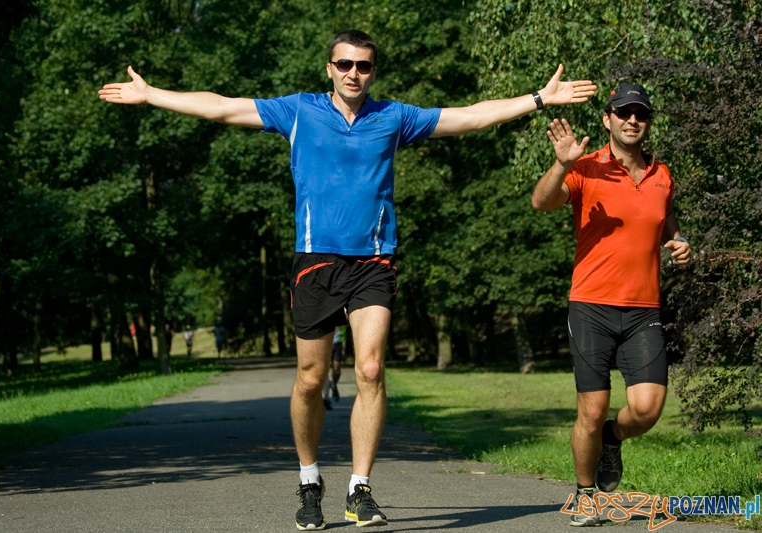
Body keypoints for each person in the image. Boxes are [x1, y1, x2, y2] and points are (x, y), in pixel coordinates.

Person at [100, 29, 595, 531]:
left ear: (373, 72)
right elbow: (223, 107)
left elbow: (466, 116)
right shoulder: (298, 111)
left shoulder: (393, 117)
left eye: (363, 66)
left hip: (375, 263)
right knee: (311, 379)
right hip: (316, 261)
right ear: (329, 68)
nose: (353, 73)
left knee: (371, 370)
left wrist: (538, 99)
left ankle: (360, 488)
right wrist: (151, 95)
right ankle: (309, 480)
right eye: (344, 64)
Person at [531, 83, 691, 527]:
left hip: (644, 310)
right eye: (623, 112)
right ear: (608, 119)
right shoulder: (585, 167)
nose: (632, 120)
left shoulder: (663, 174)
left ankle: (611, 439)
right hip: (590, 306)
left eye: (640, 113)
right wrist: (560, 166)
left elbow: (665, 221)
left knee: (646, 409)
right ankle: (585, 496)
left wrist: (678, 242)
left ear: (648, 121)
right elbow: (541, 202)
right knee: (592, 406)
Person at [322, 325, 345, 410]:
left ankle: (334, 384)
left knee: (336, 371)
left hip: (337, 342)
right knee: (324, 371)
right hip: (324, 342)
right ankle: (326, 397)